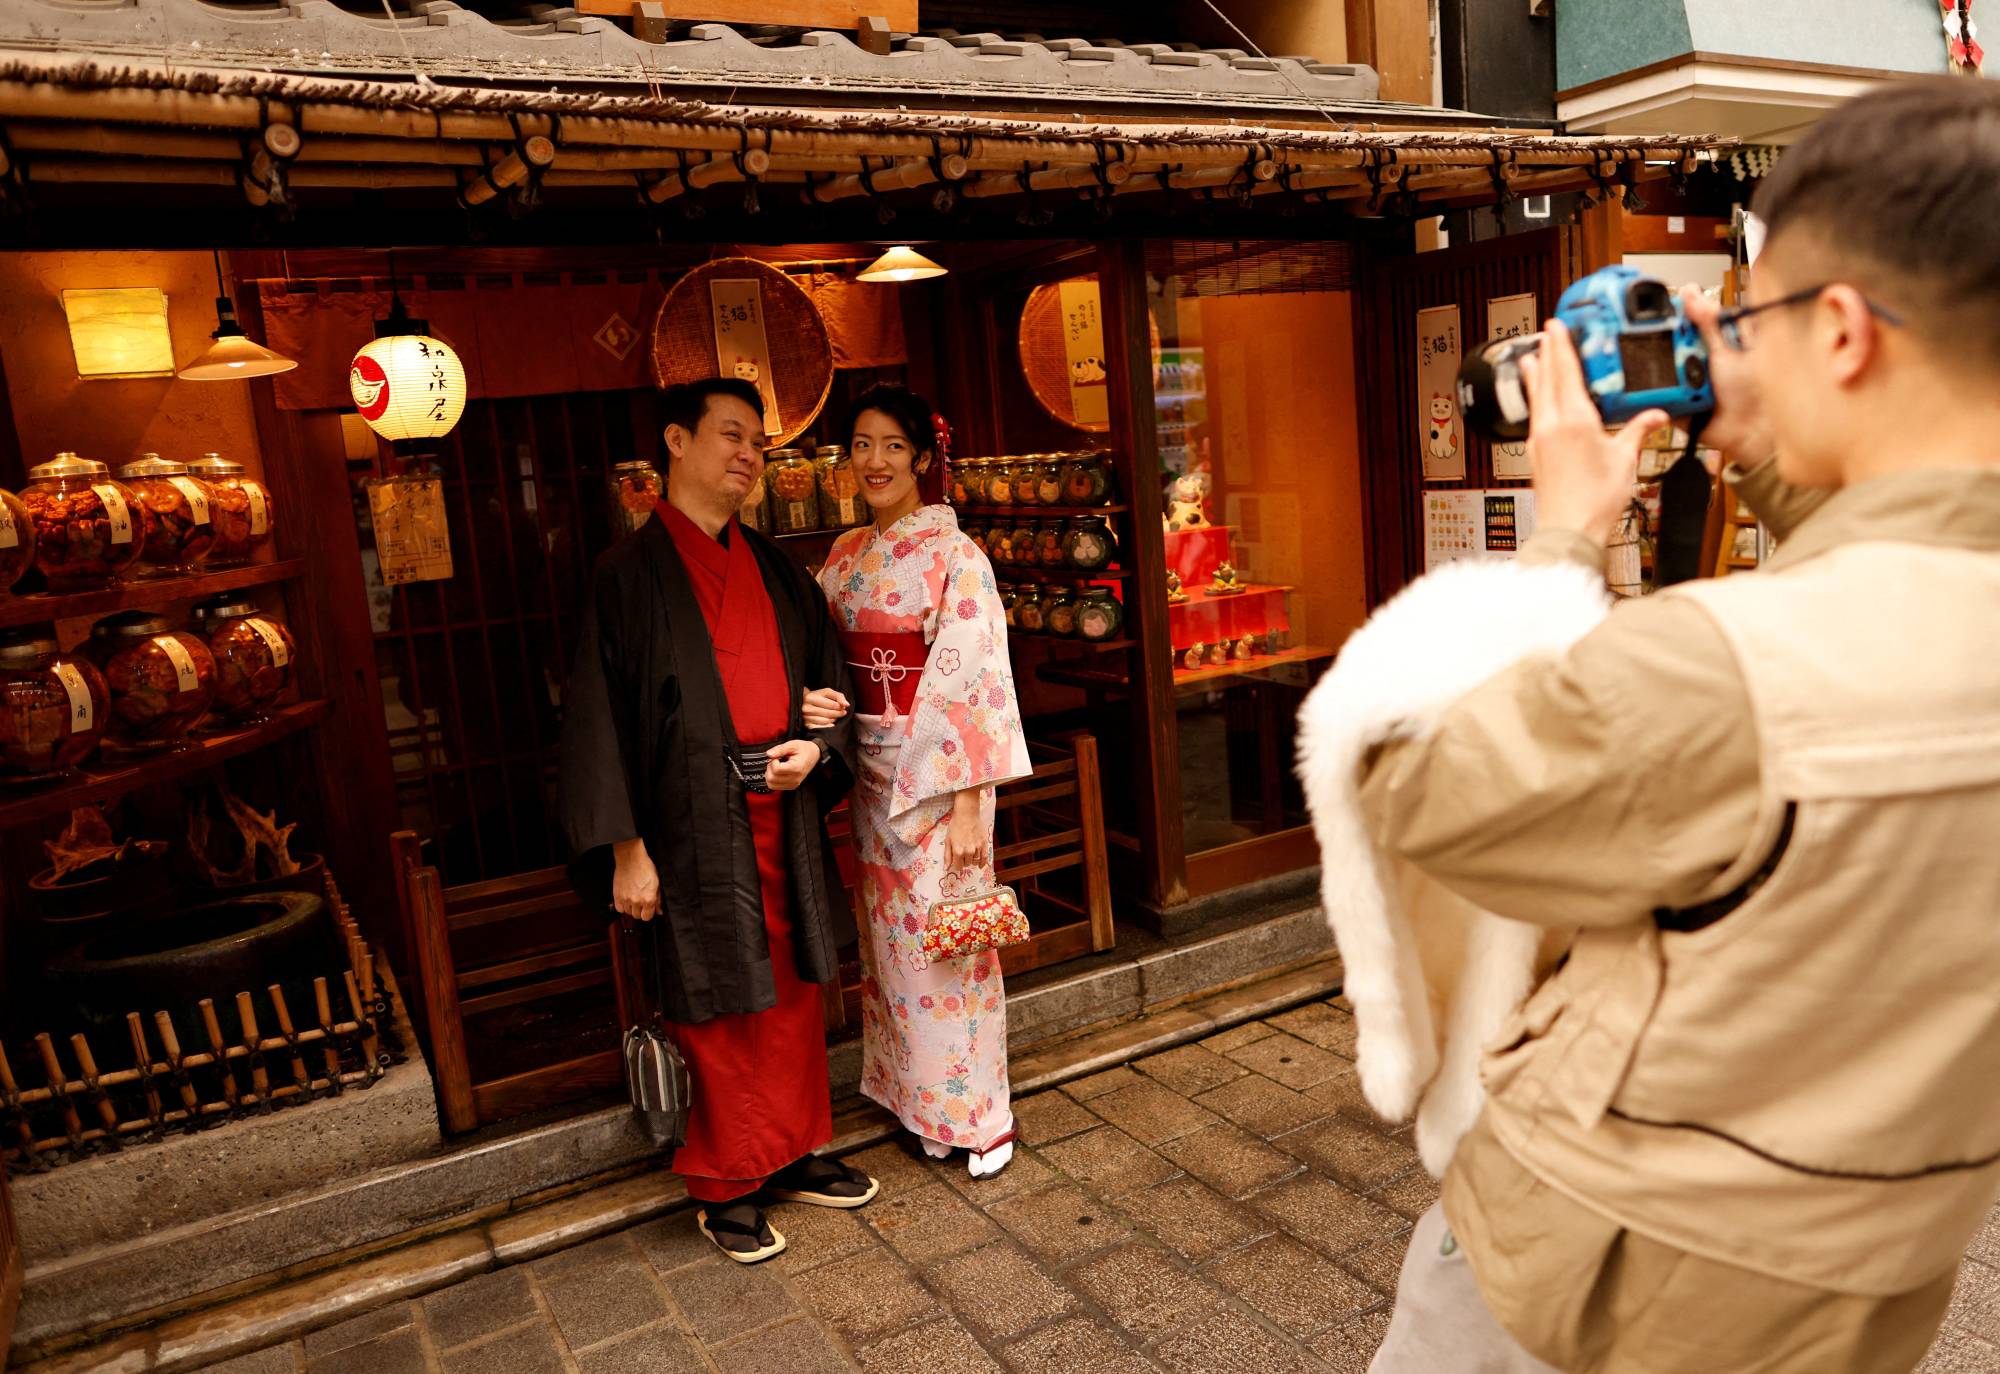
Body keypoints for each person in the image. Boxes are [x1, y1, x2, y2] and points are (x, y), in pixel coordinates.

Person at [1344, 78, 2000, 1373]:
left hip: (1603, 1270)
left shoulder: (1730, 671)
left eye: (1757, 313)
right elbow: (1908, 569)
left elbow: (1425, 789)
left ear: (1849, 333)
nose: (1730, 339)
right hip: (1864, 1280)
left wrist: (1567, 534)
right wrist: (1772, 453)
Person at [558, 377, 877, 1264]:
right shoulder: (624, 576)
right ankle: (729, 1180)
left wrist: (820, 750)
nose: (749, 458)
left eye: (759, 445)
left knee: (794, 987)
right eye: (732, 436)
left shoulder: (776, 566)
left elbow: (830, 691)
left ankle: (796, 1147)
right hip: (686, 825)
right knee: (717, 1000)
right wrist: (626, 849)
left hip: (785, 809)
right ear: (676, 441)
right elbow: (594, 718)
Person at [801, 384, 1031, 1179]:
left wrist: (971, 805)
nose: (874, 461)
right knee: (890, 946)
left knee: (951, 947)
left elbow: (976, 684)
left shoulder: (955, 557)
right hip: (868, 771)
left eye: (892, 446)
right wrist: (822, 700)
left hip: (939, 780)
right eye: (861, 445)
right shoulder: (844, 556)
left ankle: (980, 1115)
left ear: (924, 458)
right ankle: (914, 1099)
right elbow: (825, 654)